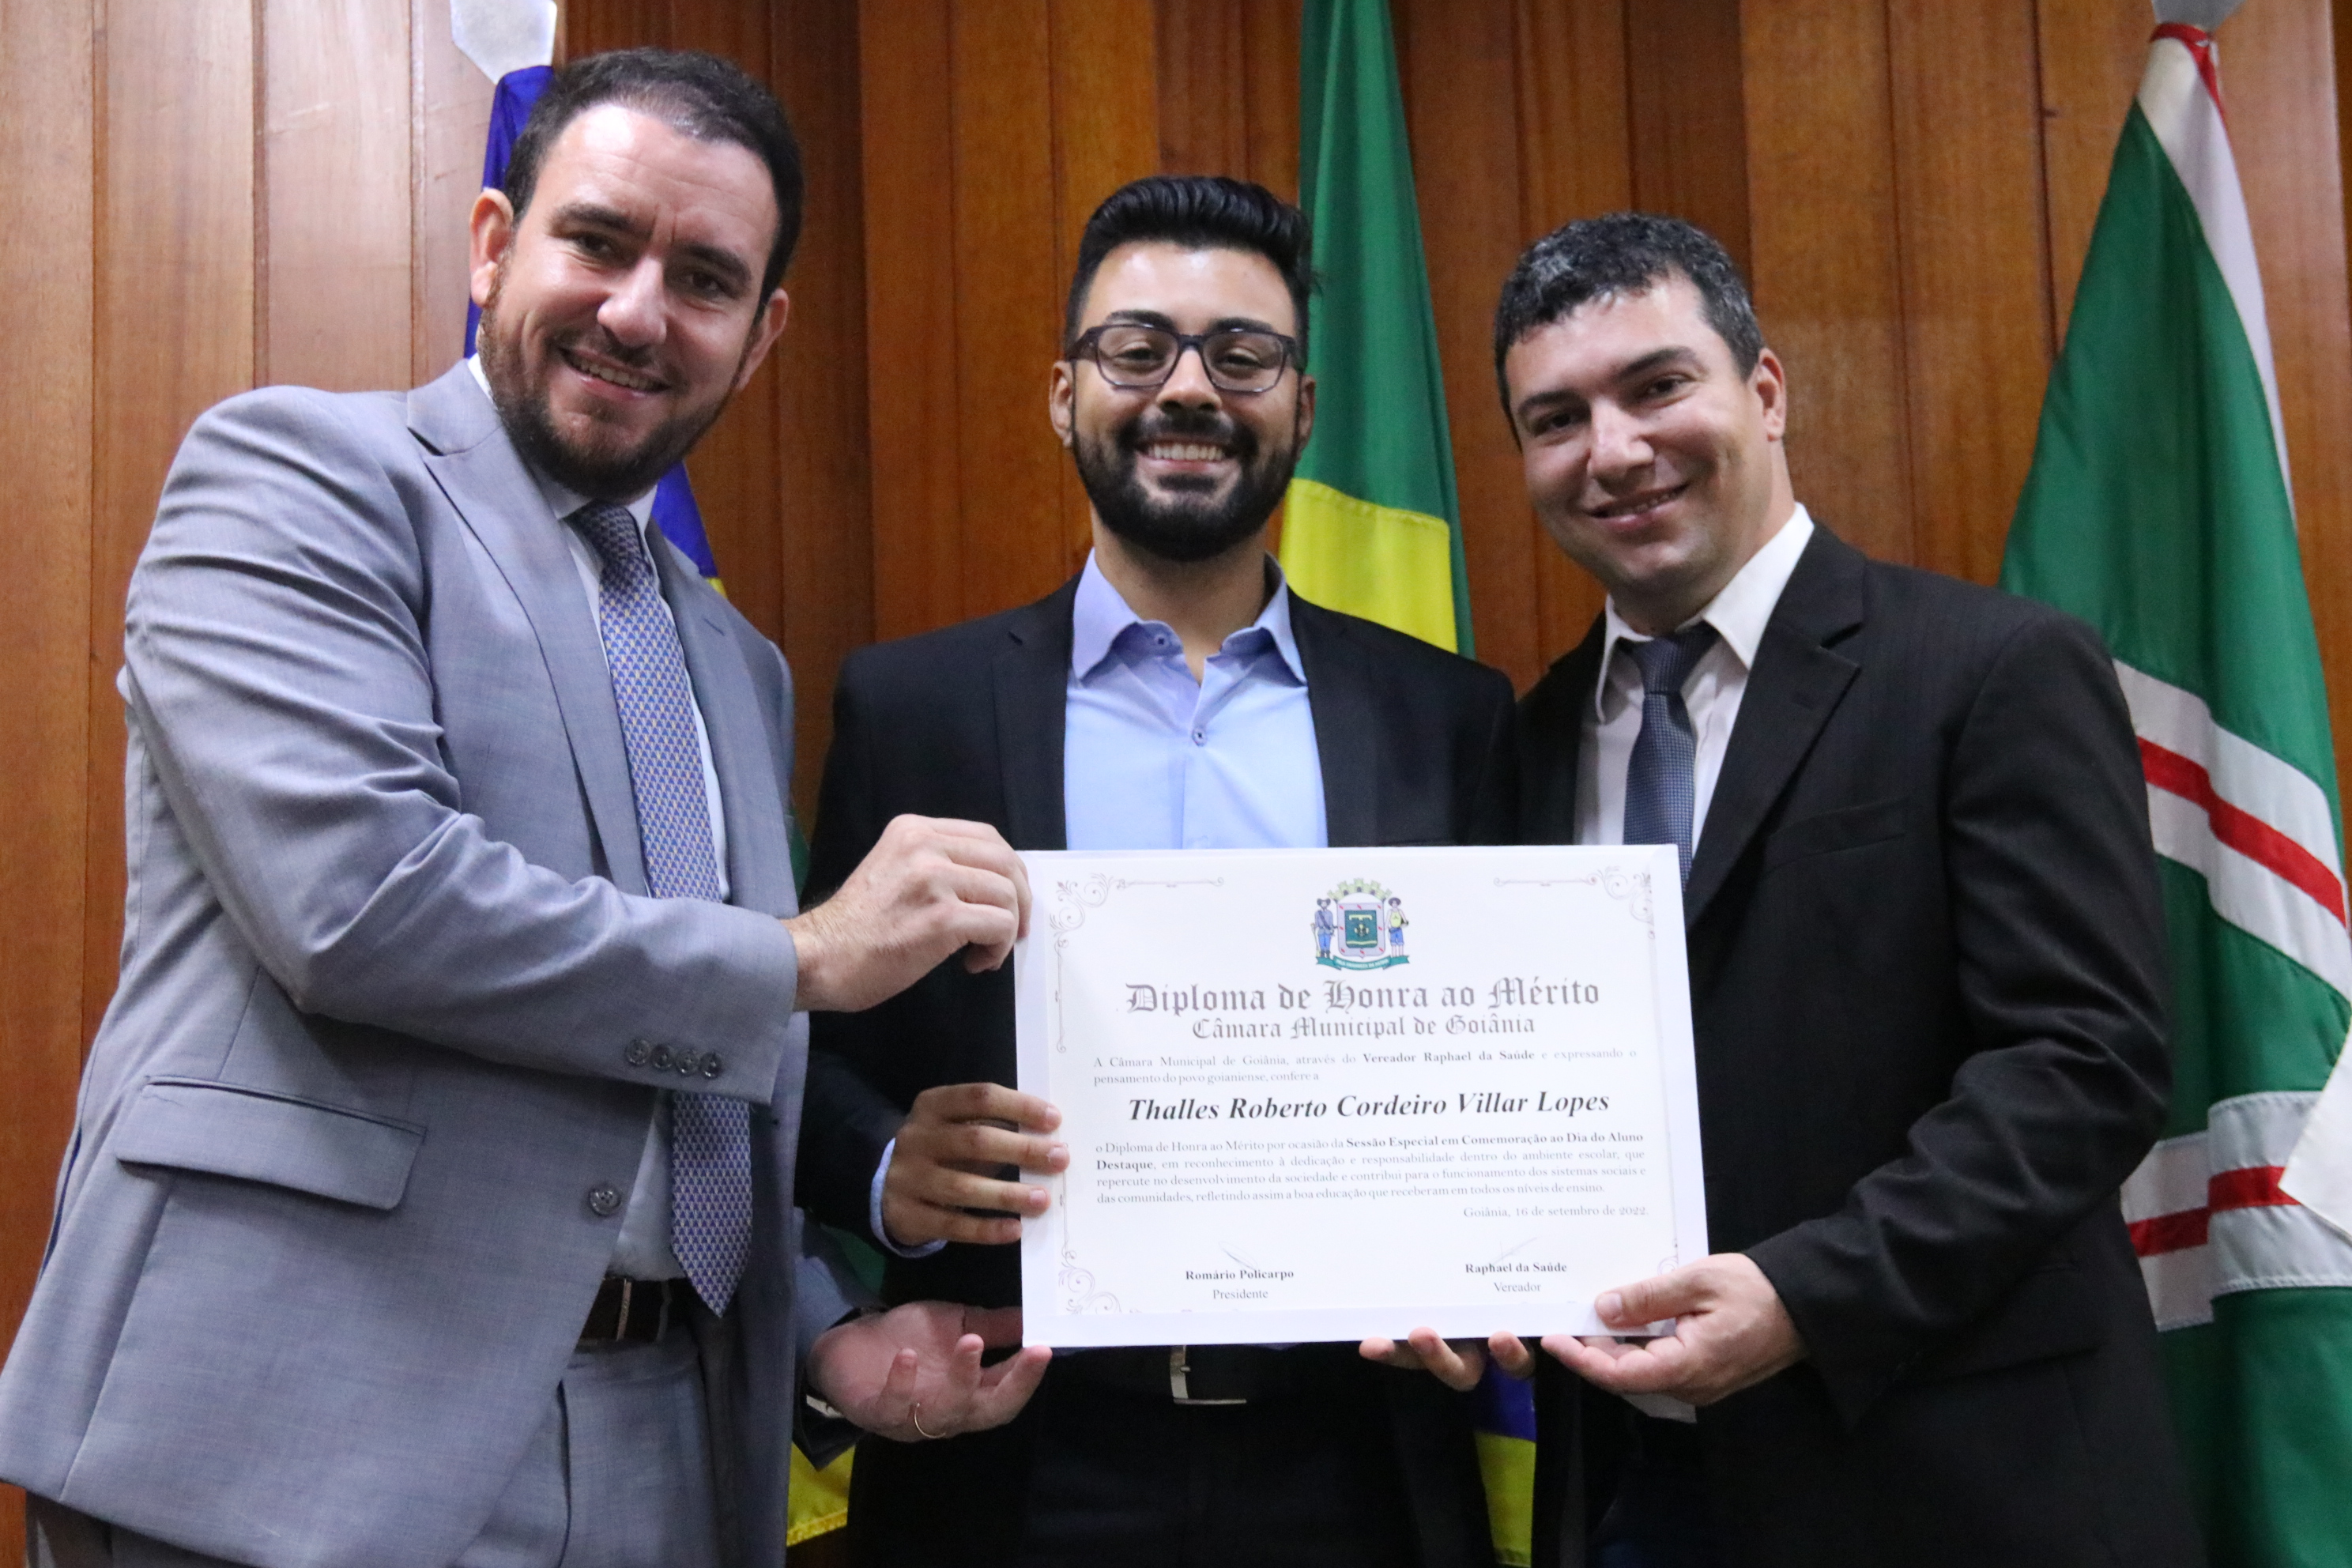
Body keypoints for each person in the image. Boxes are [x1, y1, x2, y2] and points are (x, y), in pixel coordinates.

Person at [0, 49, 1047, 1568]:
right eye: (599, 242)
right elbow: (364, 906)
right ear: (494, 245)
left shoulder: (733, 661)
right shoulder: (299, 477)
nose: (638, 311)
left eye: (705, 279)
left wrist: (827, 1336)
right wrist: (811, 957)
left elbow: (699, 1078)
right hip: (288, 1442)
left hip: (669, 1447)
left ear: (761, 338)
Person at [794, 175, 1515, 1567]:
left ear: (1304, 405)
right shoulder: (912, 709)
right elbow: (805, 1054)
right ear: (1065, 393)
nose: (1190, 389)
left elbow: (1501, 1049)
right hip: (1017, 1452)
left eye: (1242, 356)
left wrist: (1494, 1258)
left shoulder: (1449, 718)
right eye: (1138, 350)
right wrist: (886, 1164)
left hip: (1357, 1458)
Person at [1472, 212, 2199, 1566]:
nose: (1613, 451)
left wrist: (1804, 1295)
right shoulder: (1526, 741)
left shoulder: (1991, 671)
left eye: (1656, 386)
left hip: (1959, 1485)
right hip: (1636, 1487)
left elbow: (2084, 1062)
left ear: (1765, 390)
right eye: (1555, 419)